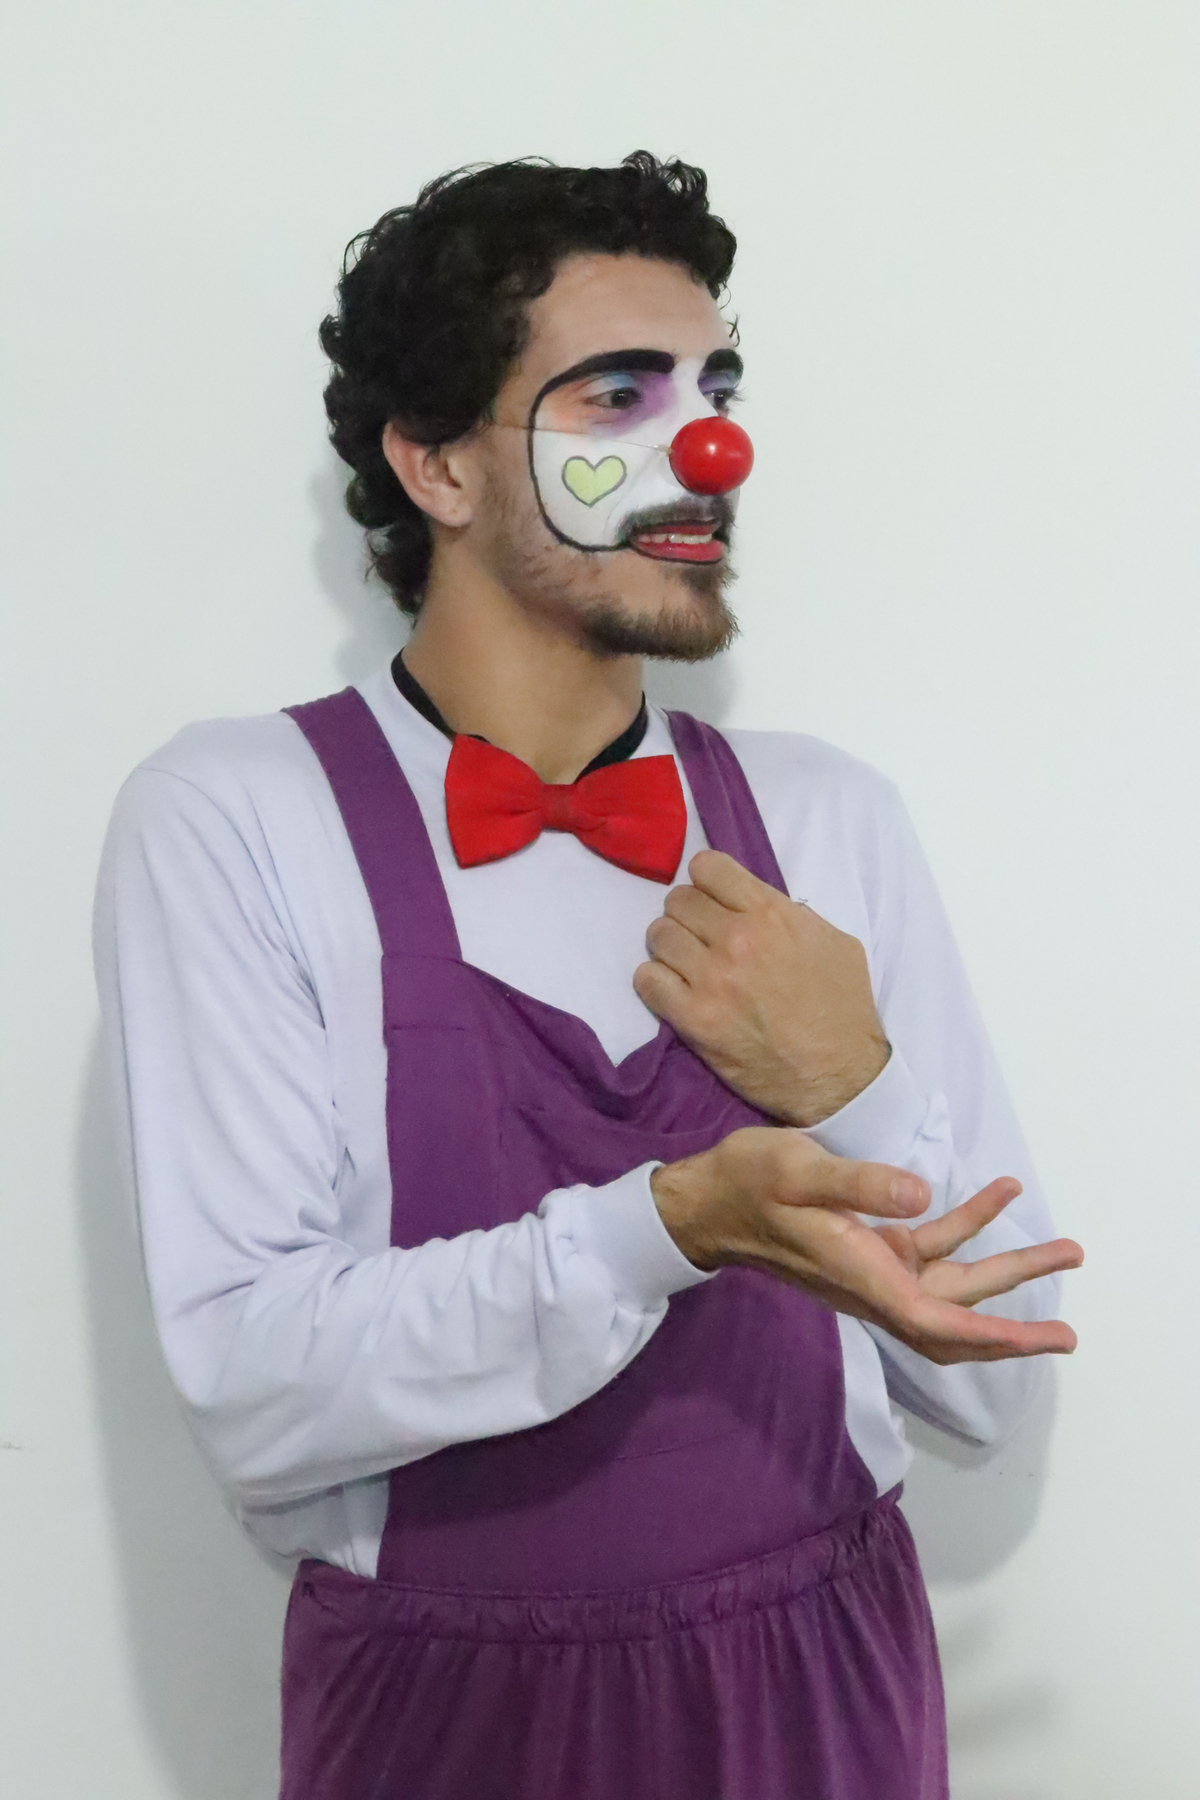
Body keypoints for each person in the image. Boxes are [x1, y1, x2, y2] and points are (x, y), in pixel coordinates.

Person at [94, 153, 1083, 1800]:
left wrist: (857, 1086)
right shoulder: (235, 816)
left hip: (823, 1692)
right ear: (436, 464)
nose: (710, 451)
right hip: (445, 1720)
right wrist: (671, 1223)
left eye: (718, 390)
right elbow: (253, 1386)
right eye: (619, 395)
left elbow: (1005, 1365)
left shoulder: (827, 817)